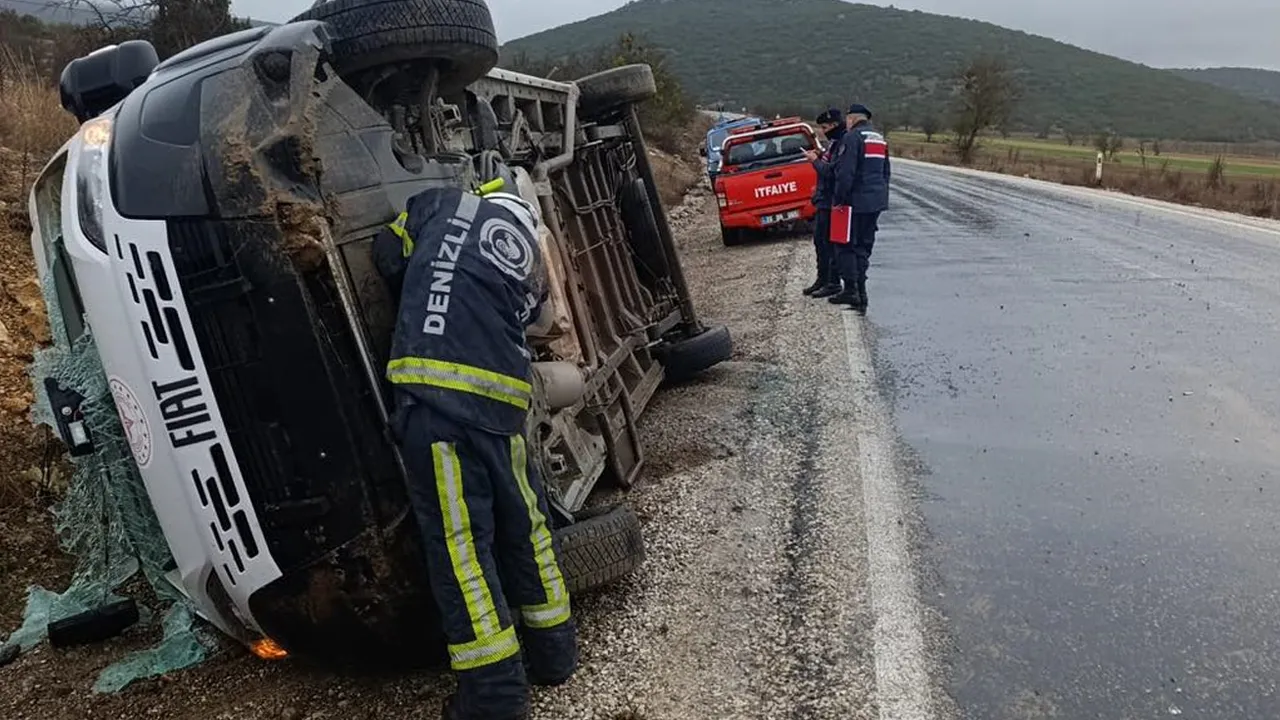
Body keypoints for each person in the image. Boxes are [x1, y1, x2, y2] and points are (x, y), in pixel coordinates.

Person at [373, 186, 577, 720]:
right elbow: (531, 320)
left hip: (438, 404)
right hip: (503, 406)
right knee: (527, 528)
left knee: (462, 550)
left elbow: (387, 253)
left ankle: (495, 695)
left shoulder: (440, 203)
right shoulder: (528, 252)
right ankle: (555, 656)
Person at [830, 102, 891, 314]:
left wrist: (839, 199)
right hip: (875, 202)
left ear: (852, 119)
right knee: (864, 247)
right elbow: (886, 172)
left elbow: (846, 173)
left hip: (855, 202)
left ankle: (852, 290)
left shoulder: (852, 138)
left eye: (847, 119)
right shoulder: (879, 138)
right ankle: (862, 293)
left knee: (845, 245)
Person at [802, 108, 847, 298]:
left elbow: (832, 173)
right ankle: (822, 279)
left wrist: (815, 162)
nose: (822, 131)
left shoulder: (843, 144)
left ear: (835, 125)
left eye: (825, 127)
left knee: (830, 244)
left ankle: (833, 282)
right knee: (820, 242)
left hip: (832, 202)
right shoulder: (833, 144)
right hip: (823, 201)